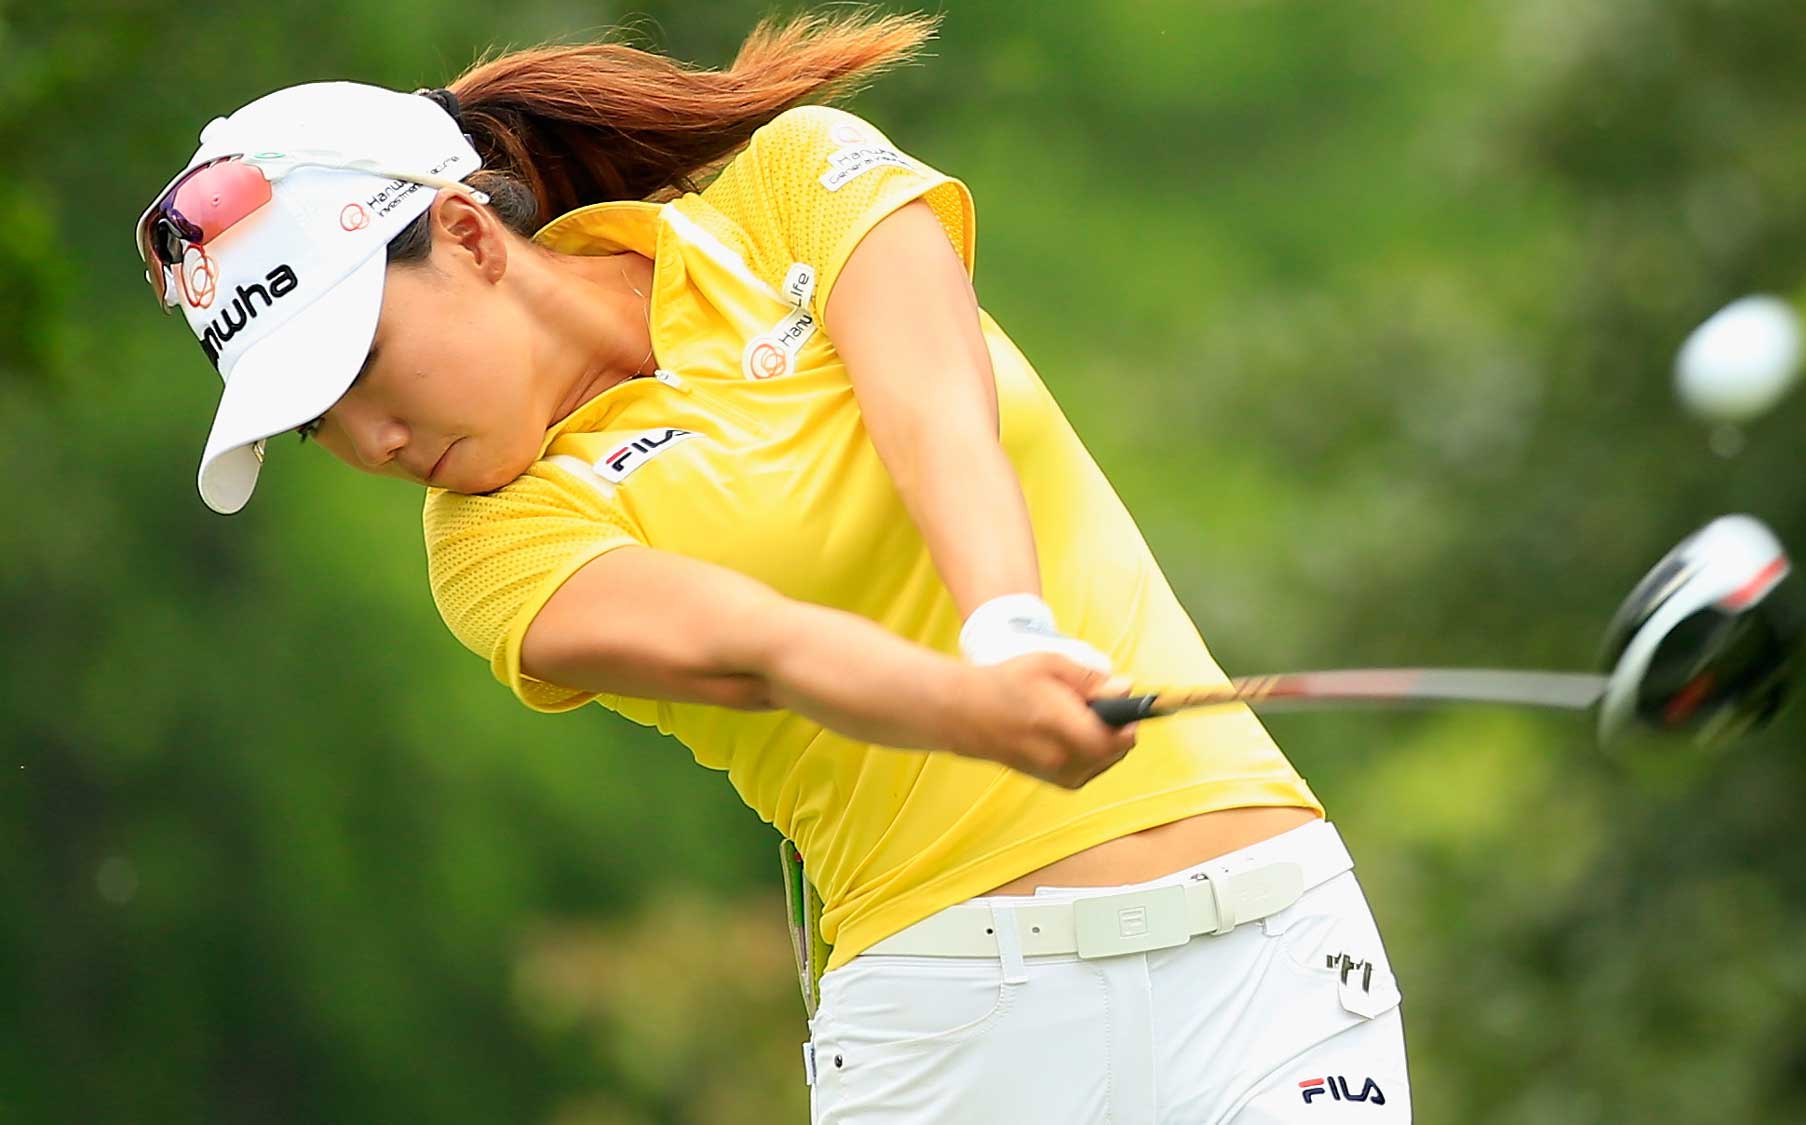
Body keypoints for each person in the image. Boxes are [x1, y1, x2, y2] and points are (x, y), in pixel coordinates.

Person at [136, 11, 1410, 1123]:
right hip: (959, 1029)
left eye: (359, 367)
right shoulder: (492, 547)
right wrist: (978, 705)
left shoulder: (783, 190)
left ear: (467, 236)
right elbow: (753, 646)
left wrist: (1010, 632)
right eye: (316, 426)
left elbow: (931, 411)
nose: (374, 442)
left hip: (1274, 957)